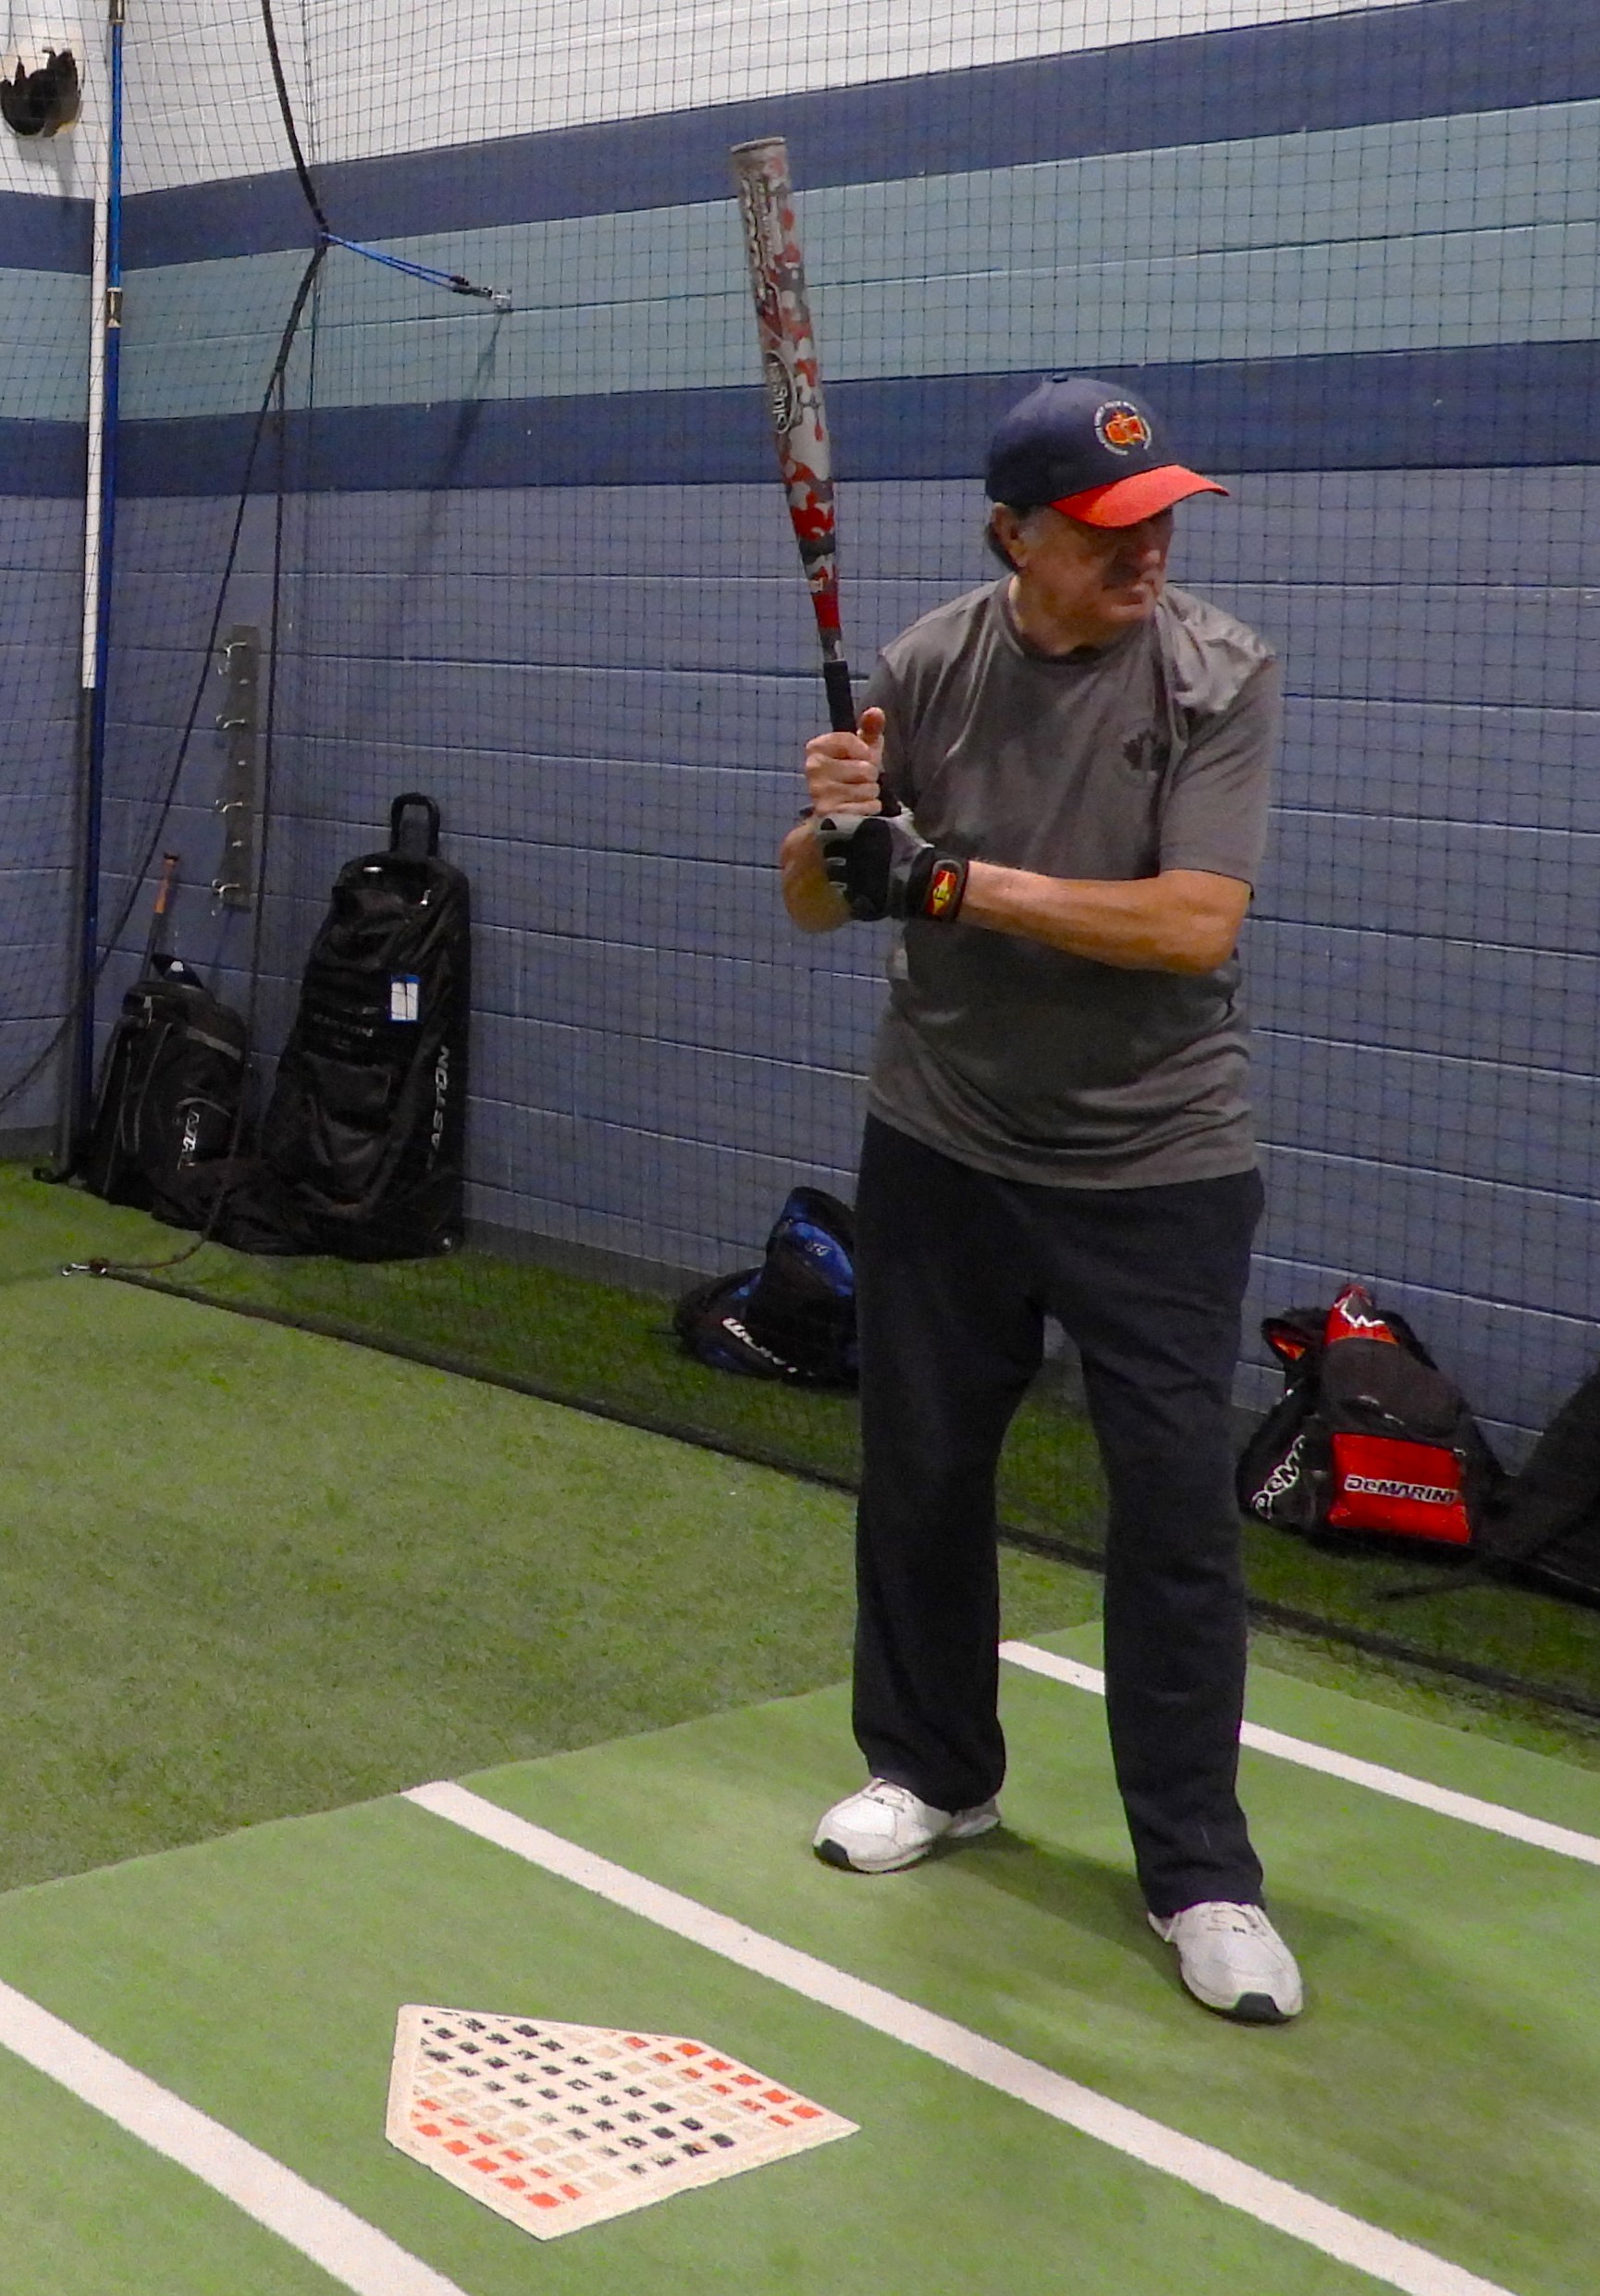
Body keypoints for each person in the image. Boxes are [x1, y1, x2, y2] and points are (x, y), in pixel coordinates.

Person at [778, 376, 1298, 2022]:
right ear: (1014, 536)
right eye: (1103, 531)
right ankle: (933, 1770)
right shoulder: (928, 664)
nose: (1145, 554)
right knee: (921, 1470)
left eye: (1159, 524)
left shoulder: (1219, 673)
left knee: (1172, 1510)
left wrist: (945, 878)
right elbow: (814, 903)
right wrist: (838, 829)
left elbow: (1192, 924)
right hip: (943, 1137)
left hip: (1156, 1161)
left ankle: (1198, 1871)